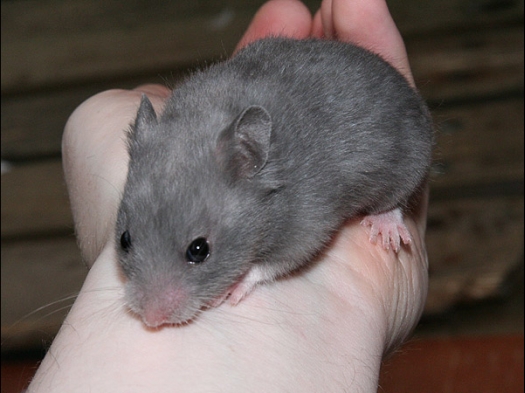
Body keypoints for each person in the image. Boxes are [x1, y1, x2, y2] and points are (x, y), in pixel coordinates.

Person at [28, 0, 429, 391]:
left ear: (249, 160)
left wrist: (258, 272)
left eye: (197, 250)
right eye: (128, 242)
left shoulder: (283, 190)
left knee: (403, 146)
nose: (152, 311)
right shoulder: (166, 135)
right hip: (274, 74)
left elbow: (309, 228)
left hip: (382, 119)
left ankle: (391, 205)